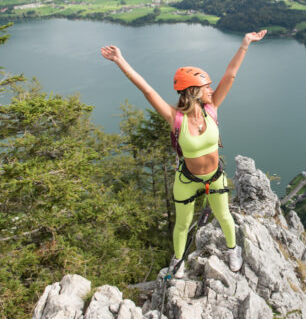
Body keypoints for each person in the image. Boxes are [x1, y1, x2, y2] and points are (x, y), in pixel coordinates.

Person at [100, 30, 267, 277]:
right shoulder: (174, 117)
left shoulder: (212, 109)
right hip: (187, 180)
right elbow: (146, 90)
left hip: (214, 177)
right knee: (182, 225)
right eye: (206, 86)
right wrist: (120, 60)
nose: (211, 90)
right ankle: (177, 262)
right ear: (192, 90)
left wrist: (245, 43)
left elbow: (230, 75)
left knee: (223, 216)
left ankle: (234, 250)